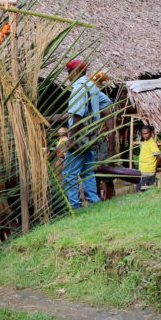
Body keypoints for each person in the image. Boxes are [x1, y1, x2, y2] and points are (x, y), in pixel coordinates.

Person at [62, 59, 110, 208]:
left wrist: (72, 138)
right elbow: (106, 103)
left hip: (79, 136)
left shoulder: (78, 87)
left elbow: (77, 114)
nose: (69, 76)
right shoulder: (92, 86)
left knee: (69, 174)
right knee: (87, 171)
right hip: (91, 136)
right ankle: (94, 202)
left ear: (76, 72)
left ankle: (75, 206)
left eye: (69, 72)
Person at [136, 124, 161, 191]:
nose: (145, 135)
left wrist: (155, 166)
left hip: (148, 171)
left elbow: (160, 157)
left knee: (145, 191)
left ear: (150, 133)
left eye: (146, 133)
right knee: (141, 191)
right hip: (143, 171)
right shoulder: (145, 142)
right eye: (143, 134)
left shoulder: (151, 143)